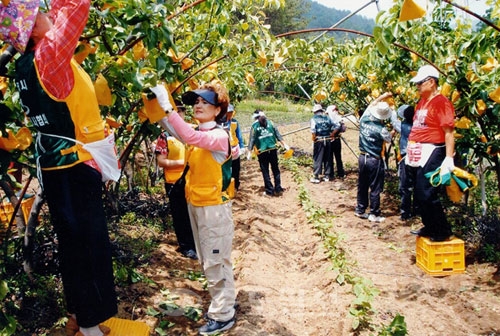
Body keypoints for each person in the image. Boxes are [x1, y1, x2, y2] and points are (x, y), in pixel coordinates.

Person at [1, 0, 117, 335]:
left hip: (56, 166)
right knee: (89, 245)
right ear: (33, 29)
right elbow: (78, 7)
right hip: (74, 166)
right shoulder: (49, 55)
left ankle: (79, 317)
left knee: (72, 243)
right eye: (42, 12)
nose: (50, 13)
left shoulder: (28, 63)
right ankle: (90, 326)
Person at [144, 81, 236, 335]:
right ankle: (225, 301)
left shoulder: (217, 136)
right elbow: (174, 131)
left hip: (213, 209)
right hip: (198, 205)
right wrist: (156, 106)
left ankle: (223, 315)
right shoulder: (200, 135)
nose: (198, 105)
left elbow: (188, 135)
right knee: (211, 260)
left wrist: (167, 105)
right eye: (196, 101)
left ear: (218, 110)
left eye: (205, 102)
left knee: (215, 262)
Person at [407, 65, 455, 242]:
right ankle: (430, 225)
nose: (417, 86)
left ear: (431, 82)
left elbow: (448, 131)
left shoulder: (441, 102)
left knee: (426, 192)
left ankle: (442, 230)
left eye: (420, 83)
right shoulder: (421, 102)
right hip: (419, 151)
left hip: (433, 149)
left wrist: (448, 158)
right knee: (419, 193)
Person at [154, 101, 197, 260]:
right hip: (174, 182)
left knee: (194, 213)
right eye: (175, 111)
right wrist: (182, 163)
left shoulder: (192, 131)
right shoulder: (165, 136)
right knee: (180, 215)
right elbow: (161, 161)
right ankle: (187, 246)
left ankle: (196, 244)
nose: (178, 115)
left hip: (192, 181)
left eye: (181, 111)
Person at [354, 93, 394, 223]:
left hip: (362, 158)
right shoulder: (381, 129)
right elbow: (388, 139)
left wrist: (383, 96)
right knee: (375, 187)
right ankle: (374, 213)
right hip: (374, 159)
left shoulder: (364, 119)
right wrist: (395, 129)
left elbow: (372, 104)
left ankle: (360, 210)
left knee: (362, 185)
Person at [247, 110, 290, 196]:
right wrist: (285, 144)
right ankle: (278, 188)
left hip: (262, 152)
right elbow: (278, 135)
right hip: (273, 149)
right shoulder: (271, 123)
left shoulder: (254, 126)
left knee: (265, 171)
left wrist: (249, 152)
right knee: (275, 169)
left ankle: (269, 190)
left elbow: (252, 139)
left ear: (255, 117)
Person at [396, 104, 416, 220]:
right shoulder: (419, 127)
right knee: (417, 185)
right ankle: (416, 210)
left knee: (405, 186)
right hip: (418, 158)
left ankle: (405, 213)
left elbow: (393, 121)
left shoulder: (402, 126)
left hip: (406, 158)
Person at [310, 104, 335, 183]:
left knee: (317, 158)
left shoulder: (314, 119)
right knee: (327, 158)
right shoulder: (327, 118)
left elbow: (313, 130)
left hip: (319, 140)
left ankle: (316, 176)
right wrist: (332, 134)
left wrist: (314, 138)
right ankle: (327, 176)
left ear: (315, 112)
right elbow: (334, 126)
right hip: (327, 140)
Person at [222, 104, 245, 191]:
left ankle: (236, 185)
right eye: (228, 112)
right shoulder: (221, 122)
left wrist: (242, 147)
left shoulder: (234, 122)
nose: (229, 114)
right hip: (226, 149)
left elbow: (239, 135)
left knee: (236, 167)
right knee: (227, 168)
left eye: (231, 112)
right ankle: (227, 186)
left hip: (235, 147)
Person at [326, 105, 346, 179]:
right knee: (337, 156)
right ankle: (340, 173)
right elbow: (343, 129)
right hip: (336, 139)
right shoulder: (338, 118)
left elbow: (340, 127)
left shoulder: (330, 119)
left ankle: (331, 174)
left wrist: (332, 134)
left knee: (330, 157)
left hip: (331, 139)